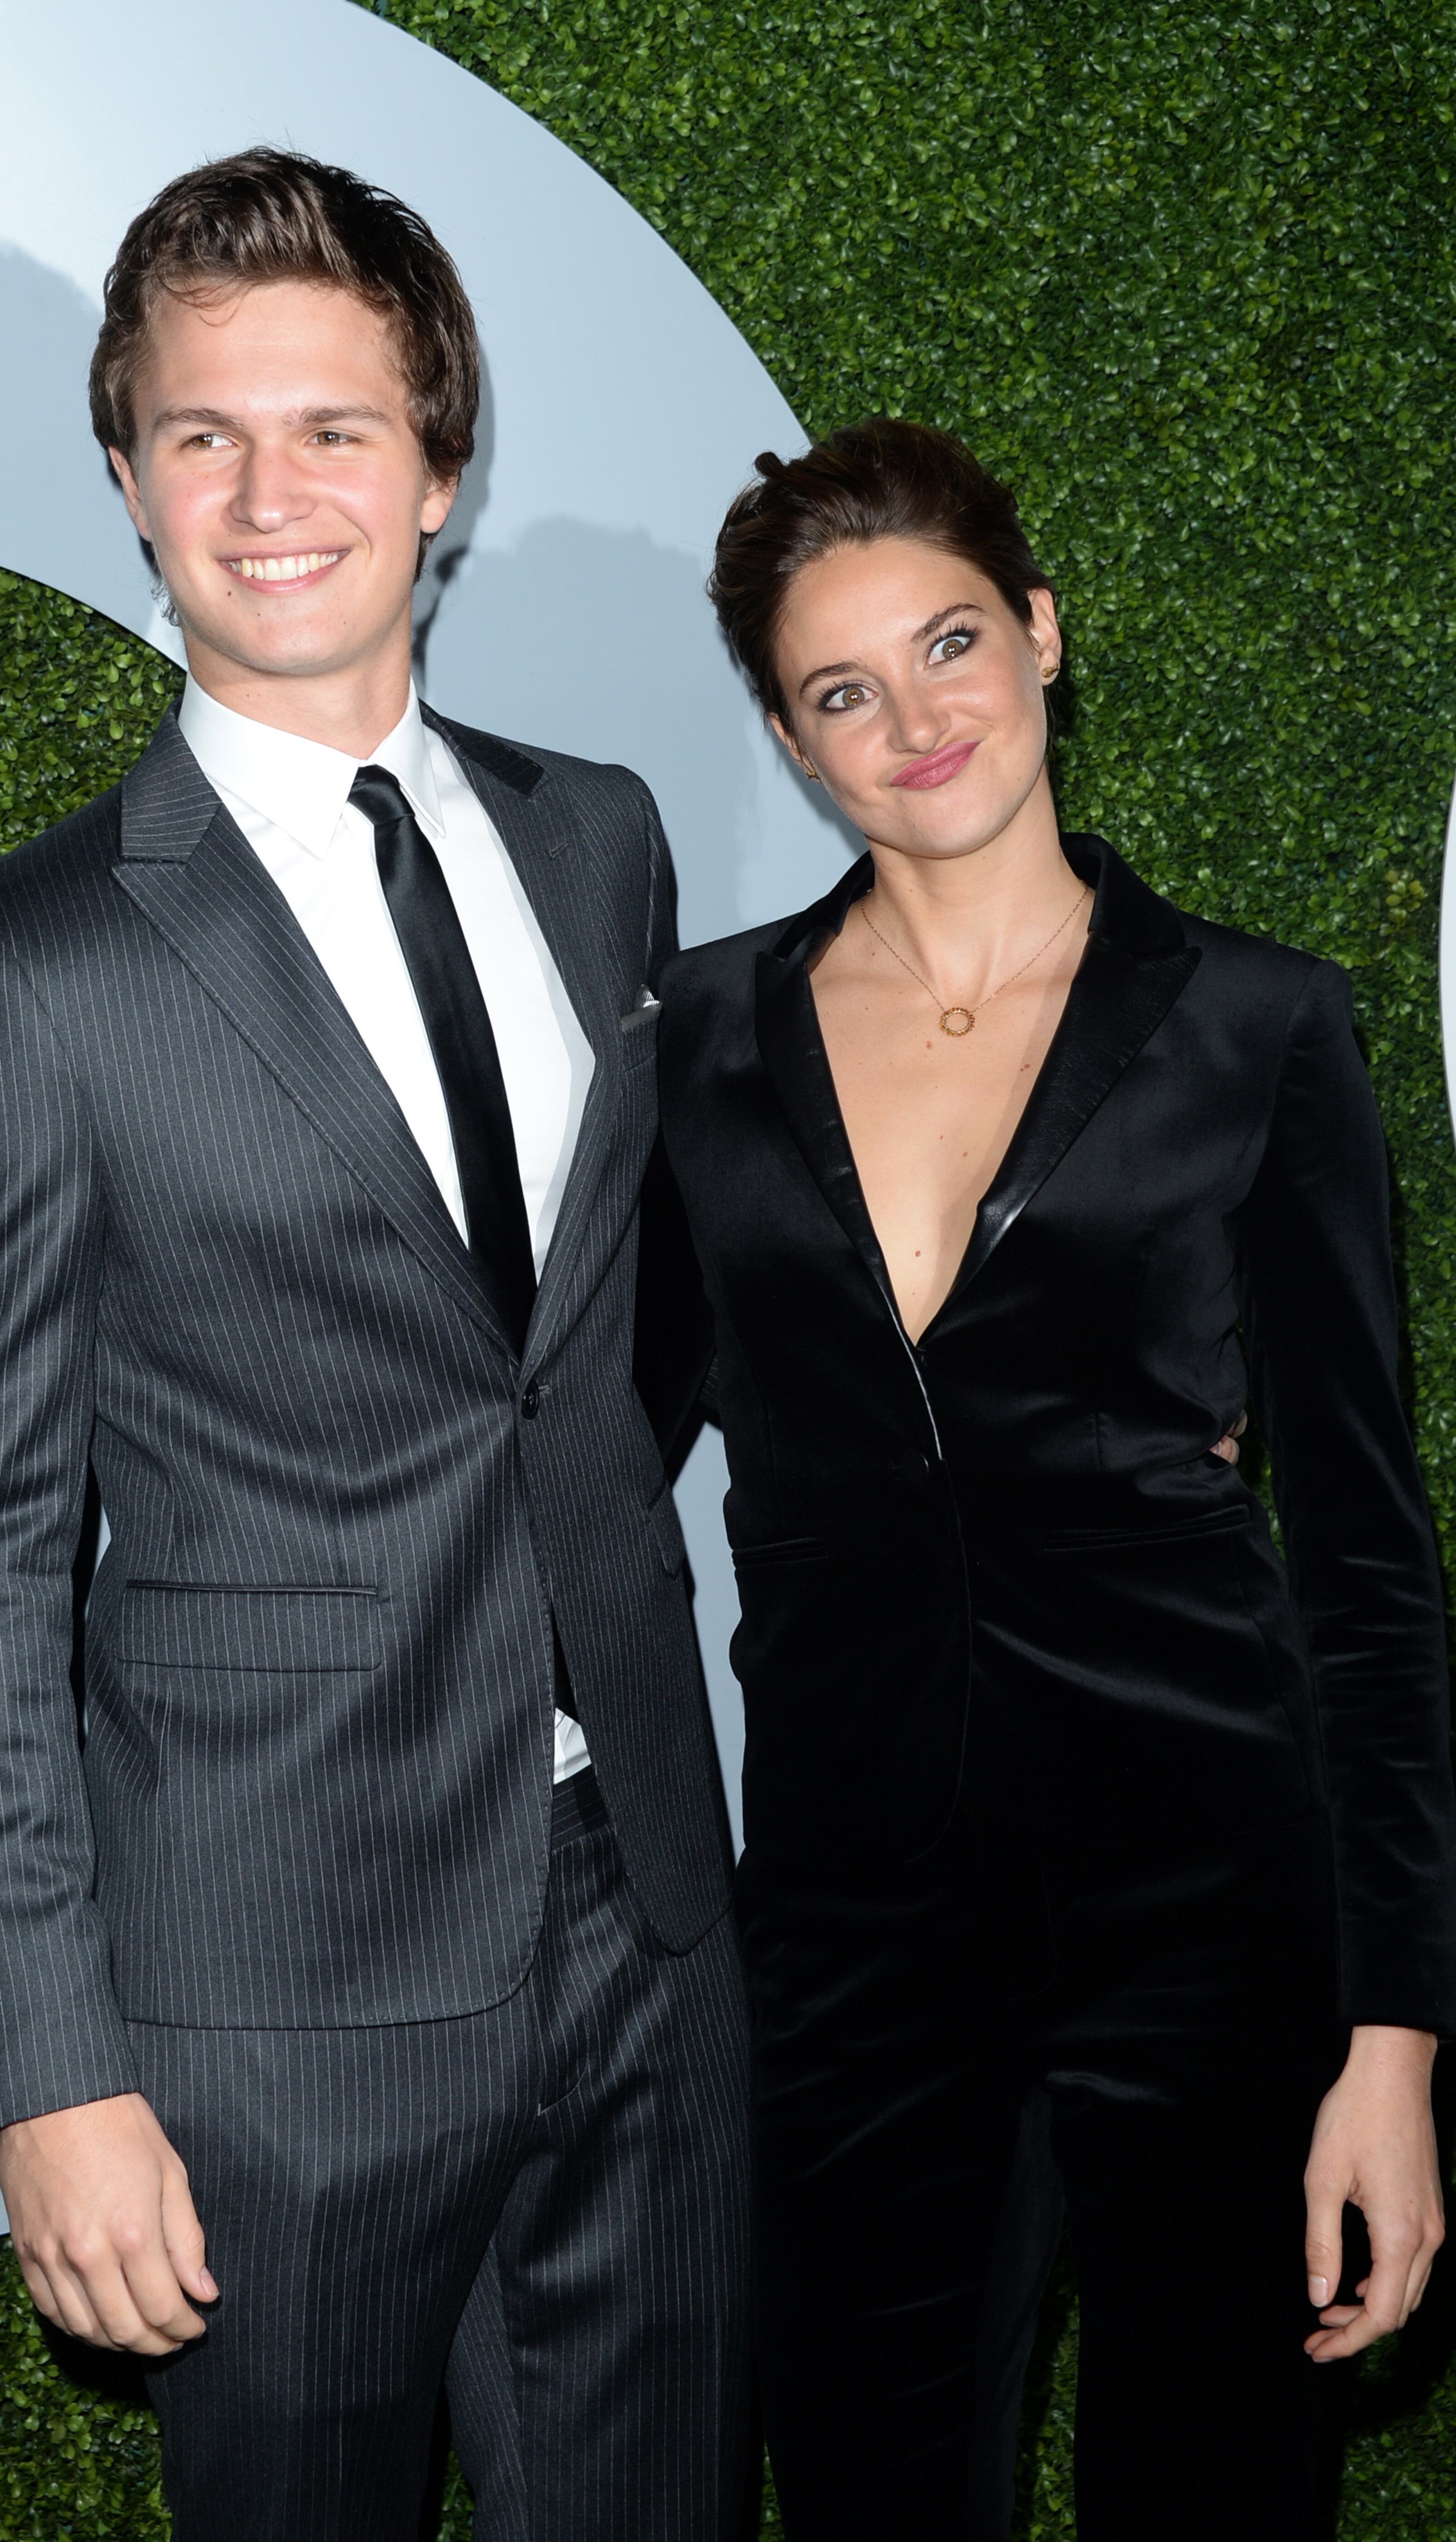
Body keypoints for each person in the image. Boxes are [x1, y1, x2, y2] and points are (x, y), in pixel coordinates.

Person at [0, 149, 753, 2542]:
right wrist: (48, 2071)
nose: (272, 497)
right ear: (133, 481)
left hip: (653, 1929)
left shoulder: (606, 844)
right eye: (202, 435)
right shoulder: (24, 970)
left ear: (442, 468)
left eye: (337, 429)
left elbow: (591, 1337)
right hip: (268, 2000)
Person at [653, 416, 1456, 2539]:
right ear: (792, 740)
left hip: (1213, 1911)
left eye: (947, 646)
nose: (915, 721)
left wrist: (1394, 2038)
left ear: (1041, 633)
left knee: (1216, 2495)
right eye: (844, 691)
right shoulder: (700, 1053)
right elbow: (582, 1472)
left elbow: (1368, 1567)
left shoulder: (1262, 1029)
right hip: (848, 1941)